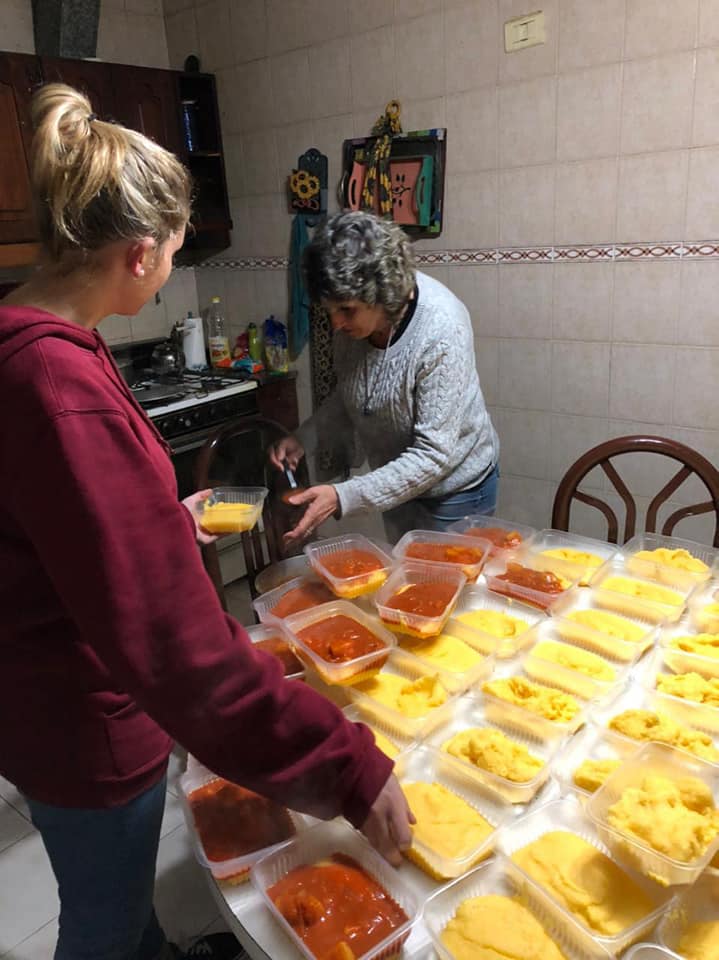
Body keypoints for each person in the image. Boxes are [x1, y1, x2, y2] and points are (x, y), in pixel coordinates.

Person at [0, 85, 412, 960]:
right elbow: (176, 647)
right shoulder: (56, 388)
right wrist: (345, 763)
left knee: (126, 911)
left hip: (43, 700)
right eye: (177, 244)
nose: (176, 257)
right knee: (103, 928)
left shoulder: (35, 338)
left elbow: (56, 539)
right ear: (140, 254)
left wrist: (157, 524)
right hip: (82, 726)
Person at [270, 211, 500, 544]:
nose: (336, 324)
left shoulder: (442, 327)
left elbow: (434, 455)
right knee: (403, 568)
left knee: (446, 574)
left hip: (455, 489)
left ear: (383, 292)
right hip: (395, 482)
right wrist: (305, 438)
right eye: (328, 309)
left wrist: (343, 496)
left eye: (346, 310)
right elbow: (354, 393)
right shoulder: (352, 328)